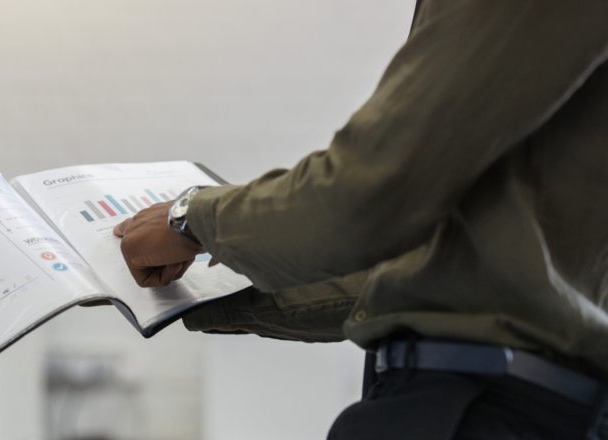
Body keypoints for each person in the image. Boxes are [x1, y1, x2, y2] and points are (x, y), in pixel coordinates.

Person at [112, 0, 608, 438]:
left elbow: (366, 197)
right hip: (533, 406)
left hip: (474, 407)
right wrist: (189, 298)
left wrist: (190, 218)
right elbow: (416, 270)